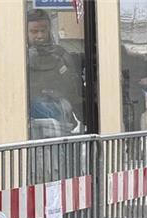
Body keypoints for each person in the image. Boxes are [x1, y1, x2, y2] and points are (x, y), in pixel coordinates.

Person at [26, 9, 84, 137]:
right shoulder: (19, 57)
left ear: (49, 30)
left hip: (60, 110)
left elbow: (74, 89)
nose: (40, 36)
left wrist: (61, 95)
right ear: (25, 32)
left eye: (43, 30)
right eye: (34, 32)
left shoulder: (60, 55)